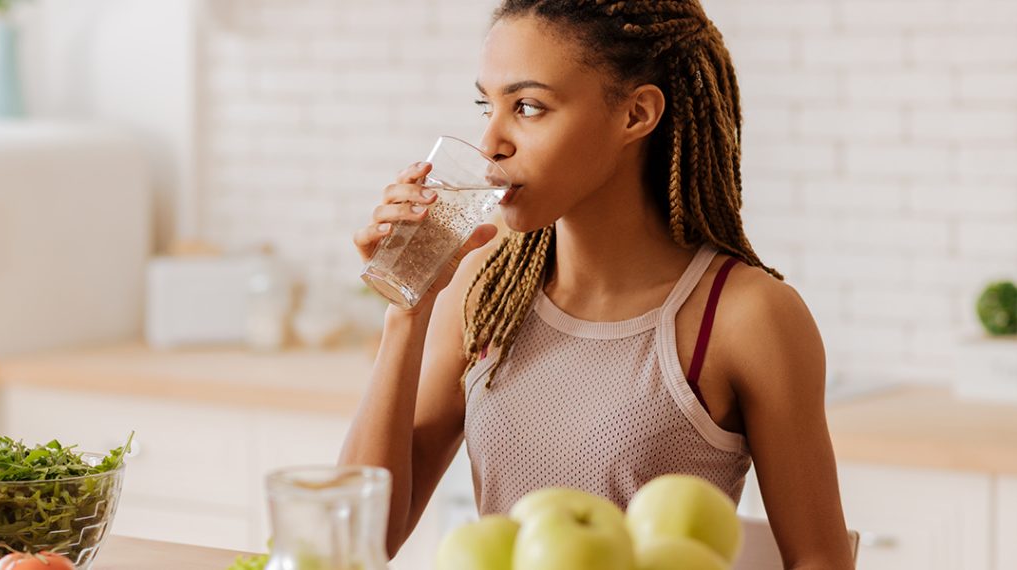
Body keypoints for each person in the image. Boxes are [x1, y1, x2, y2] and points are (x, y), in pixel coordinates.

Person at [342, 0, 854, 567]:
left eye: (529, 107)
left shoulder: (746, 316)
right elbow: (357, 540)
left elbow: (820, 561)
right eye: (486, 105)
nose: (491, 143)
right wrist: (406, 306)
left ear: (636, 114)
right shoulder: (484, 289)